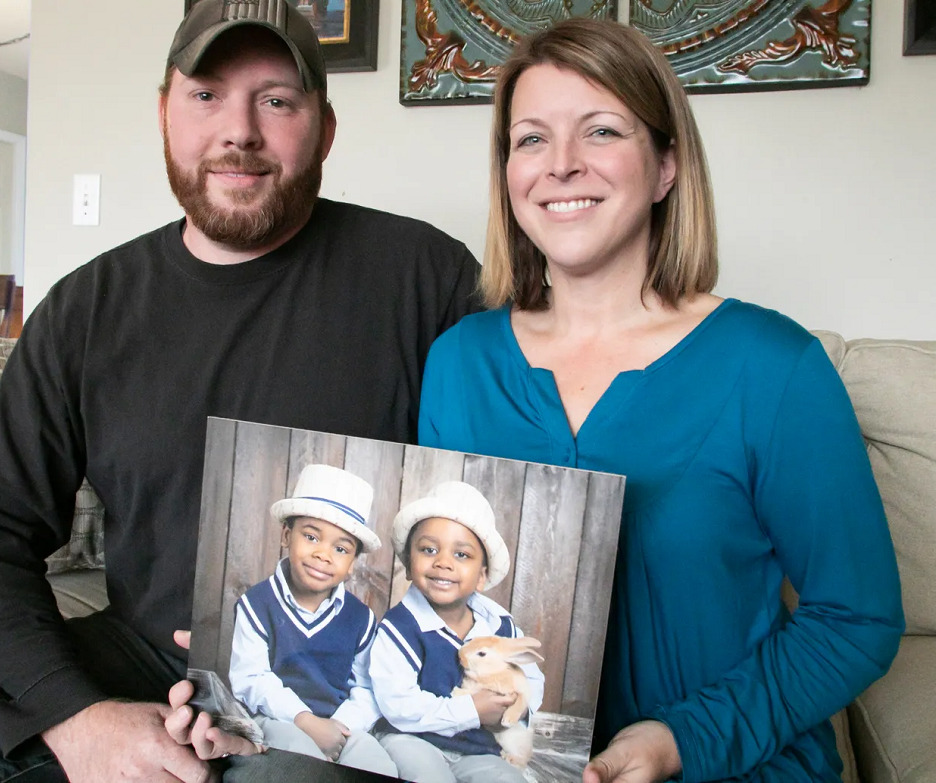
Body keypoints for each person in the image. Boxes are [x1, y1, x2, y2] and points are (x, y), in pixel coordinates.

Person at [0, 1, 479, 781]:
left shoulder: (426, 277)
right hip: (136, 658)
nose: (240, 131)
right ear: (165, 114)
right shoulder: (88, 307)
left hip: (335, 674)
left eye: (277, 100)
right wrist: (72, 715)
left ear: (323, 129)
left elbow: (499, 502)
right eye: (206, 96)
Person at [416, 18, 904, 783]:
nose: (562, 166)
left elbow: (858, 619)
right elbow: (440, 594)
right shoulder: (458, 364)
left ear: (667, 165)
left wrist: (681, 741)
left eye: (601, 131)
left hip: (731, 768)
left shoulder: (775, 367)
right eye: (531, 139)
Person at [368, 481, 545, 783]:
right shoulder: (400, 628)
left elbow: (531, 680)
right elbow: (398, 704)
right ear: (408, 566)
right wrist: (472, 710)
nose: (443, 562)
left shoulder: (500, 626)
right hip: (411, 740)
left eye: (462, 555)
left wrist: (513, 709)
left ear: (482, 577)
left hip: (480, 750)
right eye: (429, 549)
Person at [229, 464, 397, 777]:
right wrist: (305, 720)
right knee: (299, 762)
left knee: (378, 765)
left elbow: (367, 689)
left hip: (340, 724)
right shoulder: (257, 605)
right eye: (311, 536)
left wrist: (339, 730)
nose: (323, 554)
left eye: (340, 548)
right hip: (276, 719)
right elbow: (251, 678)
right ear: (286, 536)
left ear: (351, 564)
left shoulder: (360, 619)